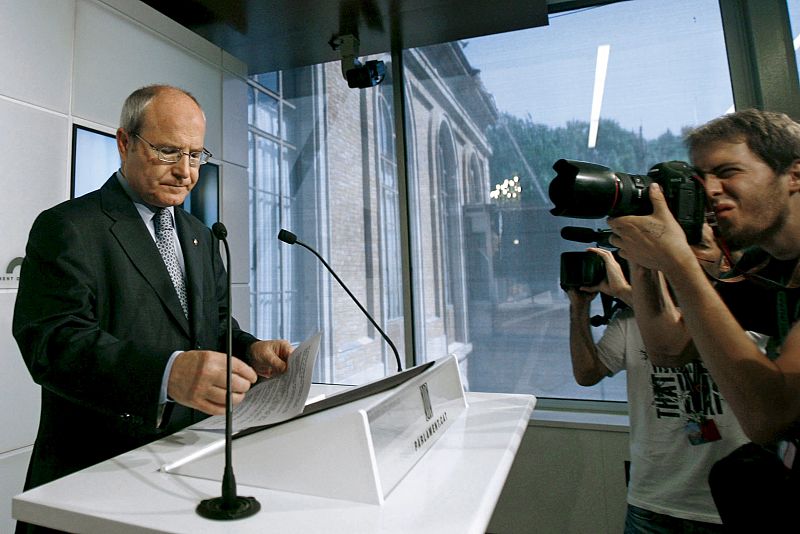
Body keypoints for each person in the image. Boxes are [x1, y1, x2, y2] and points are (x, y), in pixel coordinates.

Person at [13, 85, 293, 533]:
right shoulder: (66, 227)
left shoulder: (201, 235)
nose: (186, 172)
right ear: (124, 143)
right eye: (168, 151)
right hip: (95, 476)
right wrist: (166, 374)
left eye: (196, 155)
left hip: (190, 467)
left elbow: (214, 324)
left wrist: (250, 350)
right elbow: (53, 343)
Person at [607, 108, 800, 529]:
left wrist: (679, 263)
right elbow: (668, 349)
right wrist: (643, 260)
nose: (710, 190)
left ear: (794, 175)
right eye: (700, 178)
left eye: (727, 171)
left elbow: (770, 416)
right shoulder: (766, 267)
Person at [567, 245, 750, 533]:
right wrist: (579, 308)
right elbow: (587, 374)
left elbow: (682, 337)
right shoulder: (630, 320)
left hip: (731, 502)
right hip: (653, 499)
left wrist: (627, 293)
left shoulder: (741, 312)